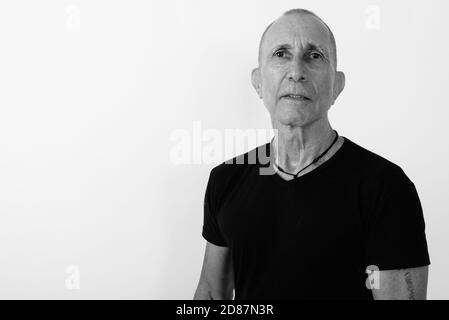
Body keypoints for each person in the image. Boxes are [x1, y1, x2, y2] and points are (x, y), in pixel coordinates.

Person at [193, 8, 430, 300]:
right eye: (281, 54)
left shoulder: (385, 187)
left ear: (337, 85)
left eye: (314, 55)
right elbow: (211, 292)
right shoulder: (226, 179)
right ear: (257, 81)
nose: (296, 71)